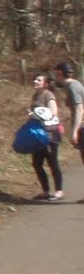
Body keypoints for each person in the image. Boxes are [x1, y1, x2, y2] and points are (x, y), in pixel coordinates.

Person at [29, 72, 64, 200]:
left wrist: (35, 115)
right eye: (35, 79)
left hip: (50, 134)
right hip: (37, 134)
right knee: (37, 163)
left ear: (46, 84)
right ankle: (45, 191)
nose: (35, 81)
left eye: (39, 80)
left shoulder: (49, 95)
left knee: (52, 162)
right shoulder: (35, 96)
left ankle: (59, 191)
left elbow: (52, 113)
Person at [54, 60, 84, 164]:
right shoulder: (73, 85)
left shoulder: (73, 87)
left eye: (55, 73)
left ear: (60, 73)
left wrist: (74, 131)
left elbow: (79, 109)